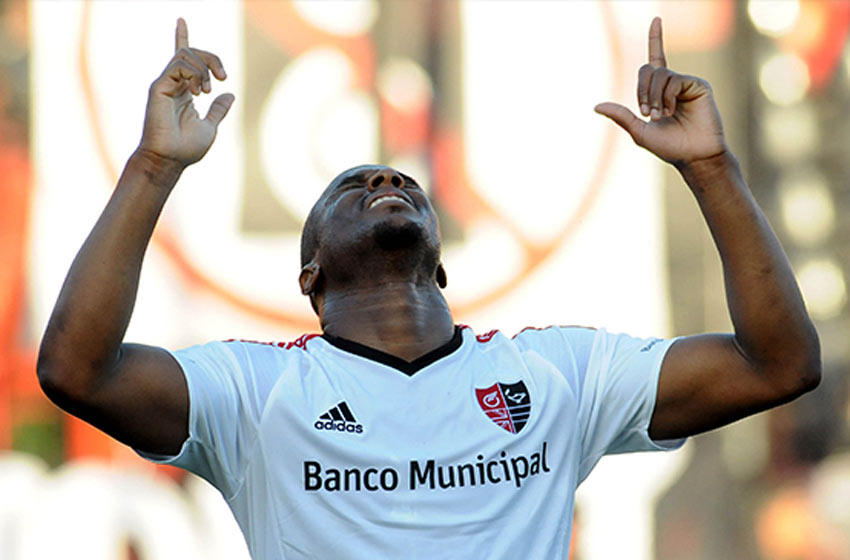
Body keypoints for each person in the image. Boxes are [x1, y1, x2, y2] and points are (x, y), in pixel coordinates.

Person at [37, 17, 820, 559]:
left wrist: (712, 169)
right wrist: (153, 166)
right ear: (310, 275)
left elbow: (778, 365)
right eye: (351, 186)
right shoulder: (255, 391)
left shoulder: (555, 377)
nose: (385, 179)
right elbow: (76, 371)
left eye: (402, 181)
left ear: (441, 262)